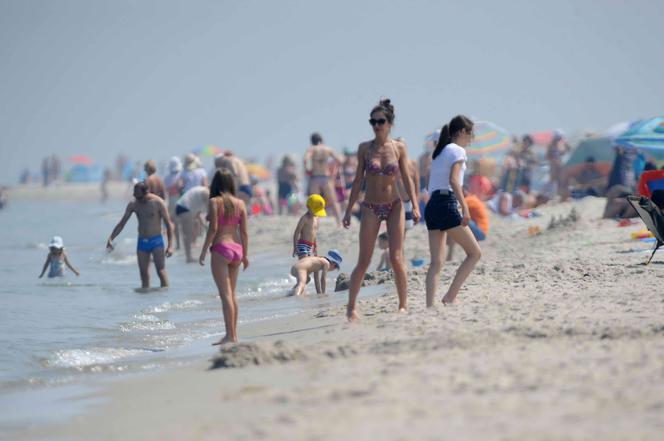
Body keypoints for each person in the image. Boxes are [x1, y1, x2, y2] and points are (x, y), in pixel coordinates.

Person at [343, 99, 420, 321]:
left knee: (396, 257)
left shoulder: (398, 148)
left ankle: (403, 305)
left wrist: (414, 206)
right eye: (373, 121)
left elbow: (407, 178)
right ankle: (351, 307)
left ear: (390, 123)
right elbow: (358, 181)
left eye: (381, 121)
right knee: (364, 260)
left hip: (395, 205)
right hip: (370, 207)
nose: (376, 125)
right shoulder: (364, 149)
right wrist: (348, 210)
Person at [424, 115, 482, 307]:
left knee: (436, 262)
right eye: (470, 134)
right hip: (446, 202)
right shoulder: (458, 150)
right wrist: (464, 207)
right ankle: (450, 297)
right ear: (462, 132)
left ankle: (430, 306)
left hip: (432, 205)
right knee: (474, 253)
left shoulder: (440, 152)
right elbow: (453, 180)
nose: (471, 138)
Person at [199, 169, 249, 346]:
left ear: (216, 184)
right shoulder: (240, 203)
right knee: (232, 295)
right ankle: (233, 335)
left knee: (225, 295)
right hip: (237, 250)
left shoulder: (214, 202)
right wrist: (246, 255)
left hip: (221, 248)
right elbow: (244, 232)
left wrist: (204, 250)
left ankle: (230, 336)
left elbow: (213, 229)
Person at [106, 182, 174, 289]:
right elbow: (122, 223)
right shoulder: (134, 204)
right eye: (135, 196)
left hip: (156, 241)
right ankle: (145, 302)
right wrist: (111, 238)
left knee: (160, 271)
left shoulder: (158, 203)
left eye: (140, 197)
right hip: (142, 242)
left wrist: (170, 246)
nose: (138, 200)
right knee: (143, 274)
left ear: (146, 193)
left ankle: (165, 297)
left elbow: (169, 225)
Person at [304, 133, 343, 225]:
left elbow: (305, 159)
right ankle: (339, 222)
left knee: (314, 201)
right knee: (334, 201)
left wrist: (307, 169)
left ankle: (314, 222)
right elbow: (340, 160)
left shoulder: (312, 149)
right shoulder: (327, 149)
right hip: (326, 177)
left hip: (315, 177)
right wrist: (333, 170)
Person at [447, 187, 489, 260]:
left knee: (455, 219)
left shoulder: (470, 199)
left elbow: (456, 207)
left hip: (480, 232)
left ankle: (450, 253)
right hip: (480, 230)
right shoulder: (472, 198)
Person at [175, 186, 210, 263]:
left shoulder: (201, 195)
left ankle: (189, 254)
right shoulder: (206, 192)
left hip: (183, 207)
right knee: (187, 234)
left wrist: (205, 225)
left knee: (195, 227)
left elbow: (198, 214)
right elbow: (209, 211)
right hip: (184, 208)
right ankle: (188, 257)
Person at [292, 194, 326, 259]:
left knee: (309, 266)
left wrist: (315, 246)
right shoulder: (304, 218)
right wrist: (295, 247)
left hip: (310, 246)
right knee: (304, 263)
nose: (316, 213)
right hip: (302, 245)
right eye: (315, 210)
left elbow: (314, 233)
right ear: (308, 207)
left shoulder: (317, 219)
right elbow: (297, 232)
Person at [164, 157, 184, 250]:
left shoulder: (167, 178)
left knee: (174, 223)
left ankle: (178, 244)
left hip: (171, 201)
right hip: (181, 199)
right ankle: (187, 242)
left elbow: (165, 191)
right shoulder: (181, 175)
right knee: (184, 222)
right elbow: (180, 186)